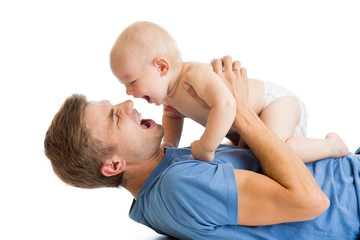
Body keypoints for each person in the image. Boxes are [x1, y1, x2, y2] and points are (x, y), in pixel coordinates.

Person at [44, 56, 360, 240]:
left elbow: (255, 163)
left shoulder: (164, 172)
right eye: (115, 117)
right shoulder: (178, 187)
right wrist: (243, 112)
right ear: (113, 165)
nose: (127, 103)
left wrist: (219, 114)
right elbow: (310, 202)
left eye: (114, 103)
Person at [109, 21, 349, 162]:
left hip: (273, 104)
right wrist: (170, 143)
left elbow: (226, 106)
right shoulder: (170, 97)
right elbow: (172, 117)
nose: (129, 92)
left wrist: (207, 146)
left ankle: (331, 146)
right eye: (124, 86)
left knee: (277, 155)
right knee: (248, 156)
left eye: (131, 81)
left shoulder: (193, 76)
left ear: (161, 67)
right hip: (249, 124)